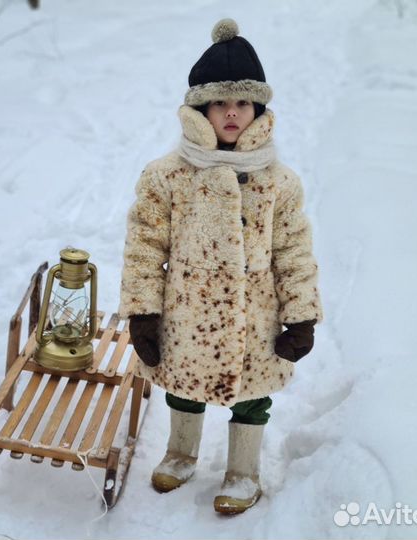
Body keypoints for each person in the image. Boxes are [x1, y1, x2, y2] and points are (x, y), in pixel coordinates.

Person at [118, 18, 323, 515]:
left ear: (258, 110)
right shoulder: (167, 176)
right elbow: (145, 245)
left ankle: (243, 471)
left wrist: (302, 315)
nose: (231, 113)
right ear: (199, 110)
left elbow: (293, 251)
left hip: (254, 316)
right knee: (183, 385)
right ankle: (181, 451)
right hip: (186, 310)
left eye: (242, 104)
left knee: (251, 395)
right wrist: (143, 311)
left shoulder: (279, 182)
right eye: (219, 103)